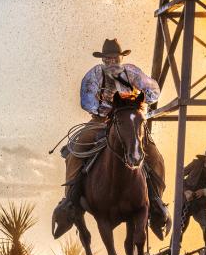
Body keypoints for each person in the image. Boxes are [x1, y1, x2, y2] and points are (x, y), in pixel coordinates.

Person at [55, 38, 170, 238]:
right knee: (77, 147)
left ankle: (157, 202)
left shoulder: (132, 73)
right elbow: (87, 101)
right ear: (103, 60)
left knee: (154, 154)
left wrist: (137, 100)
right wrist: (107, 108)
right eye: (107, 59)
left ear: (120, 58)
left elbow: (154, 92)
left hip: (129, 121)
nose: (111, 62)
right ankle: (70, 202)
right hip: (102, 121)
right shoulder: (94, 75)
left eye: (114, 58)